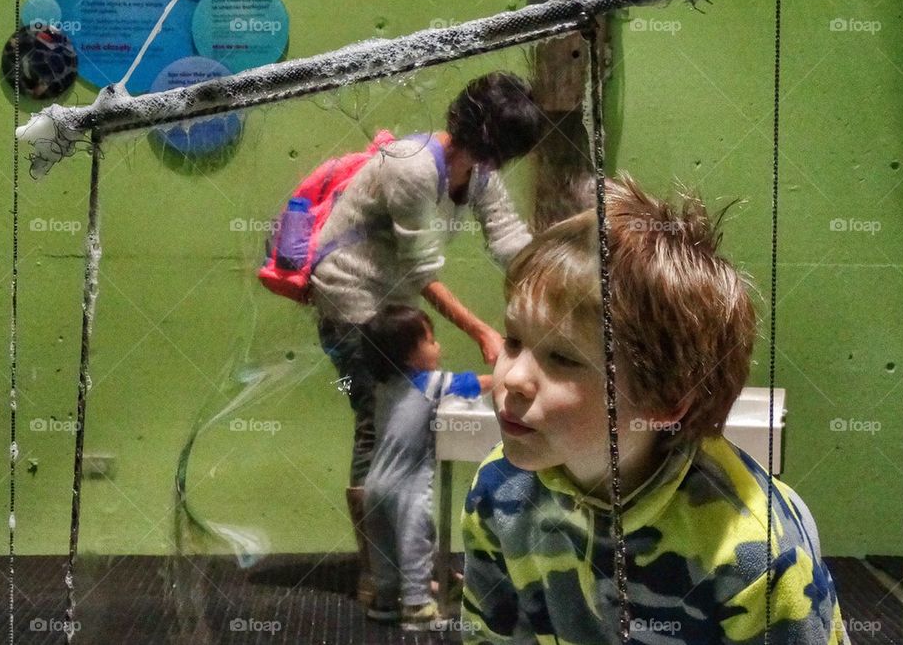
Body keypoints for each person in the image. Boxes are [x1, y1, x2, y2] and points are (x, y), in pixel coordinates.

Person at [461, 176, 849, 644]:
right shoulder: (499, 490)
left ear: (665, 402)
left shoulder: (754, 552)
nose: (514, 377)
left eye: (562, 358)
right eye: (513, 340)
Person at [311, 72, 543, 604]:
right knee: (376, 425)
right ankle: (378, 574)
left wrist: (551, 291)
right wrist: (483, 329)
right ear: (492, 142)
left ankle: (406, 564)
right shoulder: (412, 167)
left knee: (396, 424)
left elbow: (510, 239)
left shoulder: (479, 173)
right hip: (347, 301)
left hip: (390, 303)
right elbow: (422, 270)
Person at [360, 305, 492, 630]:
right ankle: (418, 605)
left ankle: (385, 603)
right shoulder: (430, 384)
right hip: (407, 487)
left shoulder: (384, 387)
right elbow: (479, 383)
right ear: (409, 355)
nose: (438, 347)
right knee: (414, 542)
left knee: (384, 549)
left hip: (373, 485)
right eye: (431, 341)